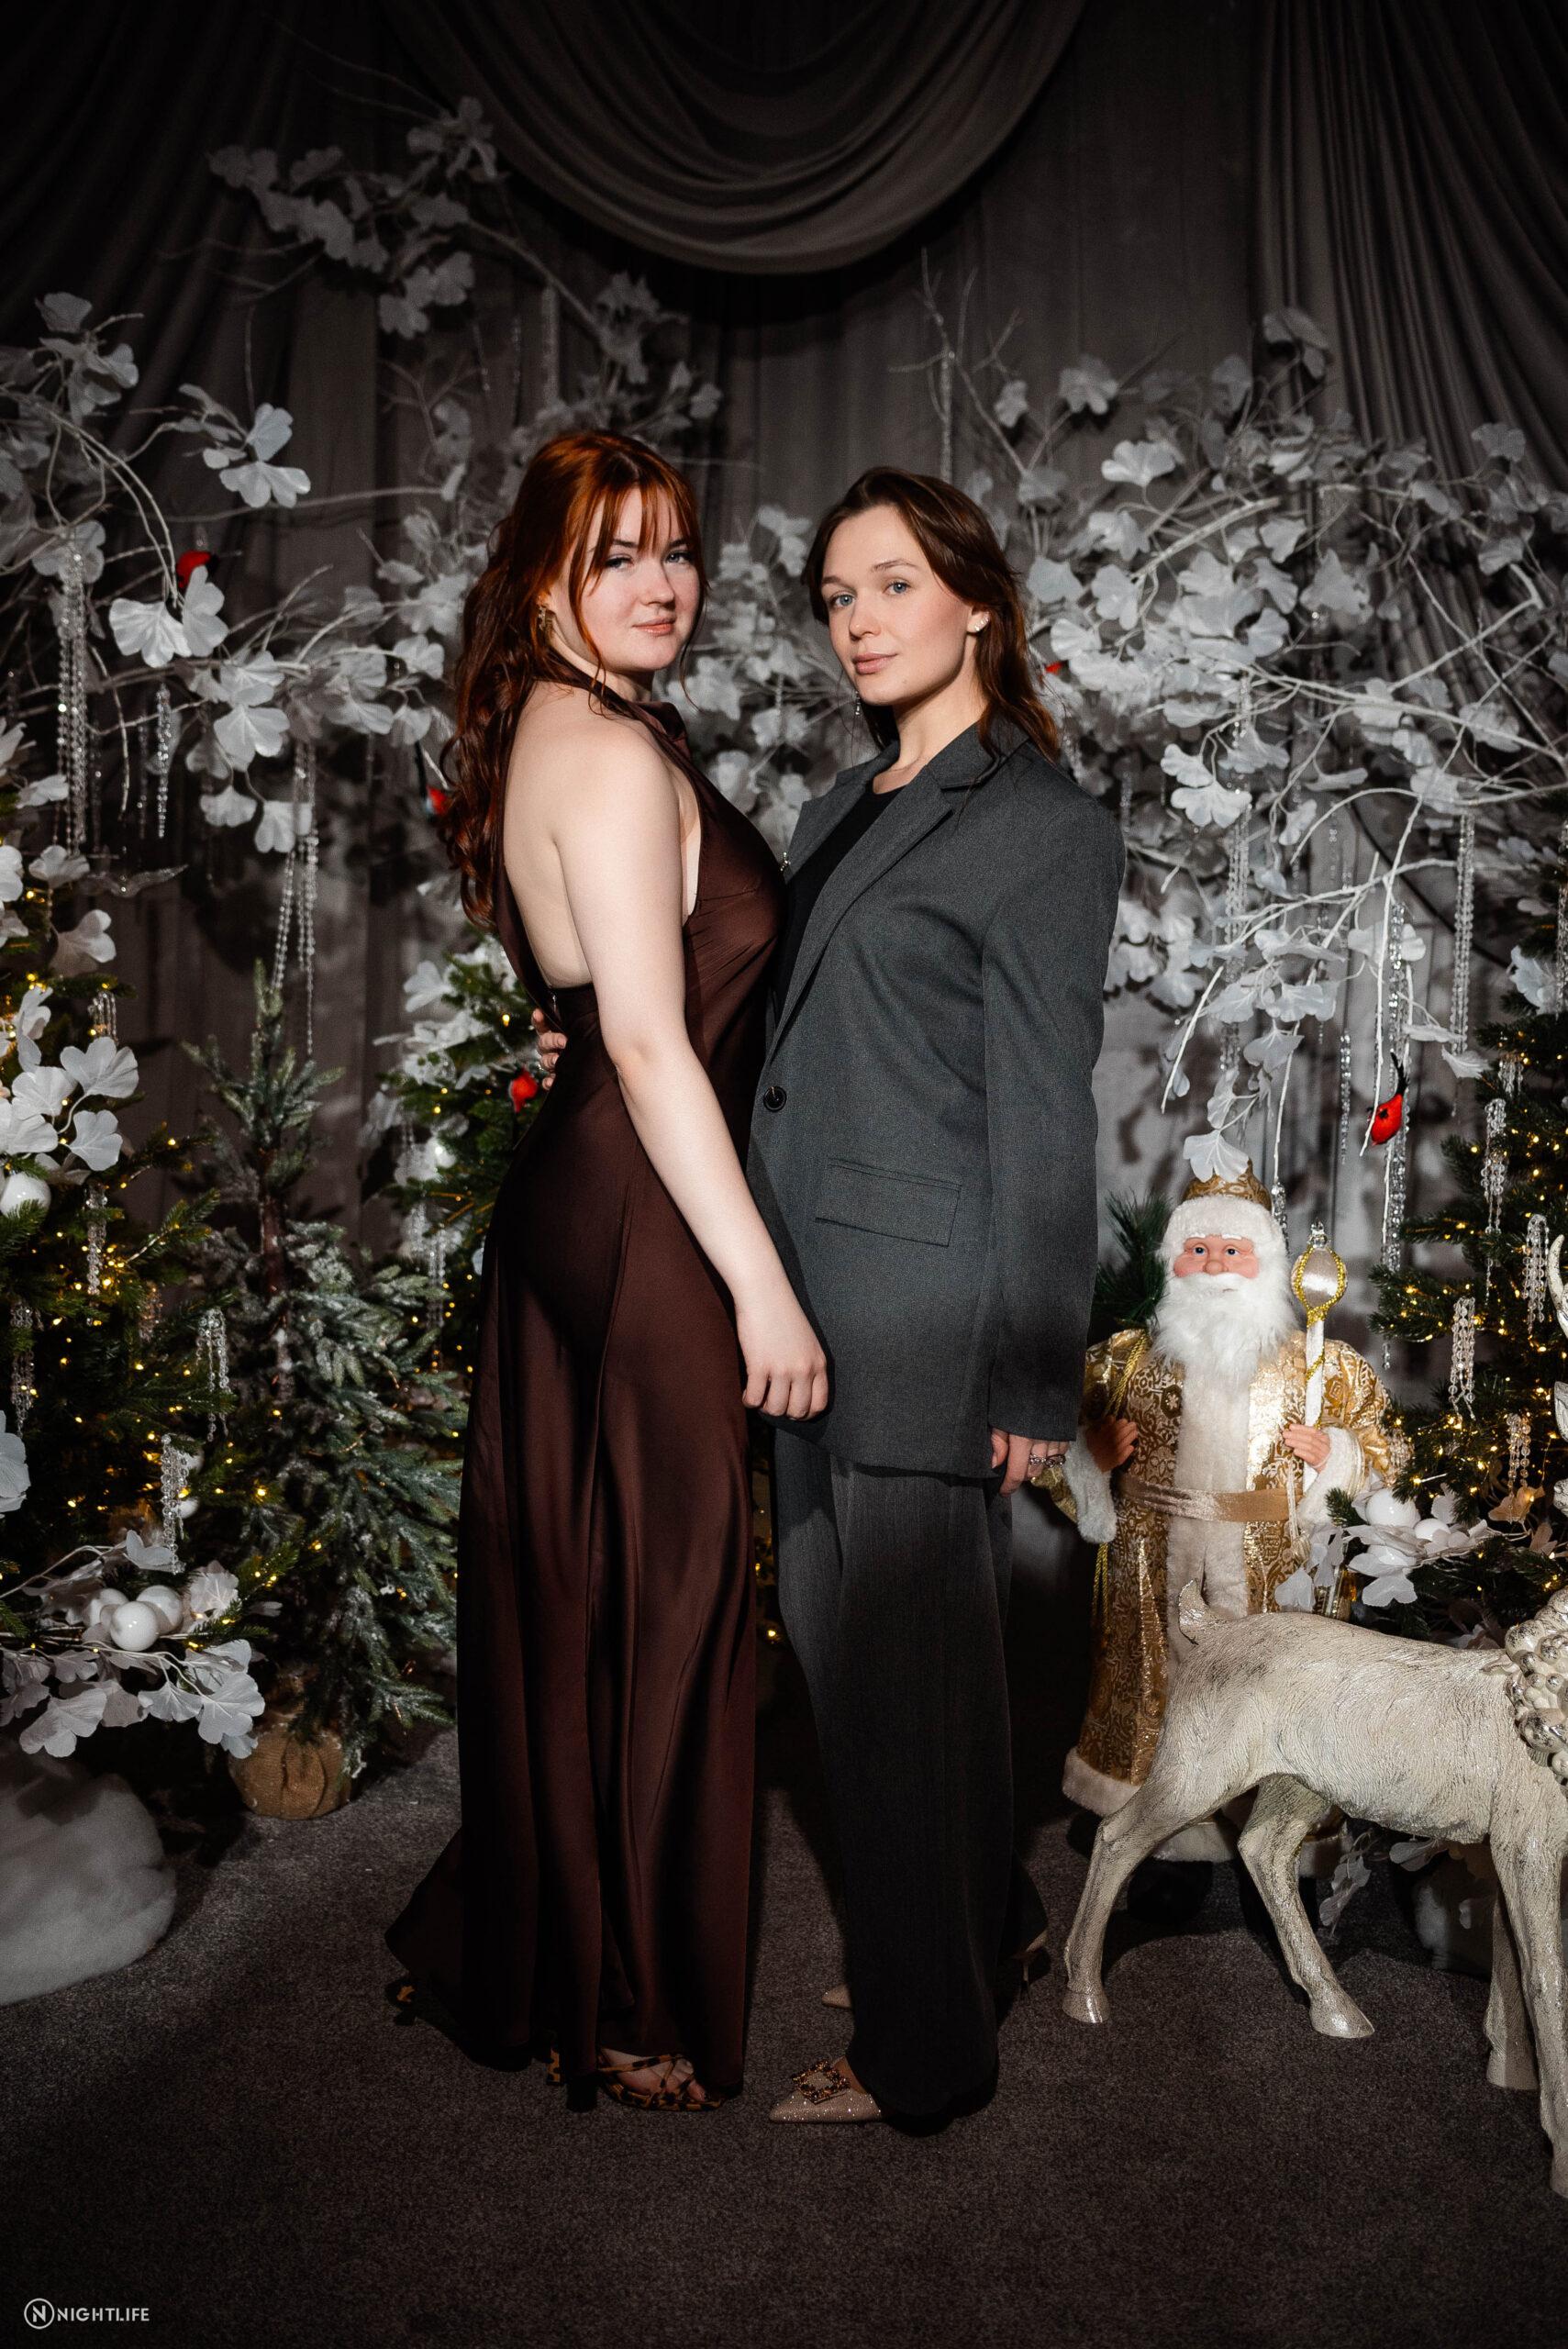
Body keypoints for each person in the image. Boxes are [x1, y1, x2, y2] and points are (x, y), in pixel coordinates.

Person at [538, 466, 1124, 2127]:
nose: (859, 623)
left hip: (926, 1321)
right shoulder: (833, 807)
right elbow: (789, 1048)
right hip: (799, 1301)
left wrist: (1030, 1373)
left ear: (977, 604)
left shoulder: (1044, 827)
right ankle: (983, 1927)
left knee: (901, 1704)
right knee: (866, 1684)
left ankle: (922, 2057)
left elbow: (1045, 1118)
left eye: (893, 586)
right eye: (837, 597)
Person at [384, 429, 827, 2113]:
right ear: (543, 582)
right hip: (642, 1202)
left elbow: (598, 1016)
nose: (662, 585)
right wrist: (761, 1287)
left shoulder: (550, 733)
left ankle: (547, 1948)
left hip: (577, 1194)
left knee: (580, 1587)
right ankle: (633, 2000)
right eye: (616, 556)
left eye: (677, 550)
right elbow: (648, 1044)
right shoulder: (616, 755)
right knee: (677, 1600)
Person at [1034, 1163, 1407, 1861]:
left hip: (1270, 1569)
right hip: (1149, 1567)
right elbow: (1044, 1445)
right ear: (1170, 1260)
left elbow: (1387, 1453)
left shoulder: (1321, 1367)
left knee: (1266, 1696)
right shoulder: (1121, 1361)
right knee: (1154, 1693)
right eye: (1197, 1249)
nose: (1213, 1266)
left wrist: (1337, 1456)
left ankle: (1271, 1838)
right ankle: (1156, 1835)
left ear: (1265, 1263)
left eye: (1232, 1251)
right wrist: (1089, 1459)